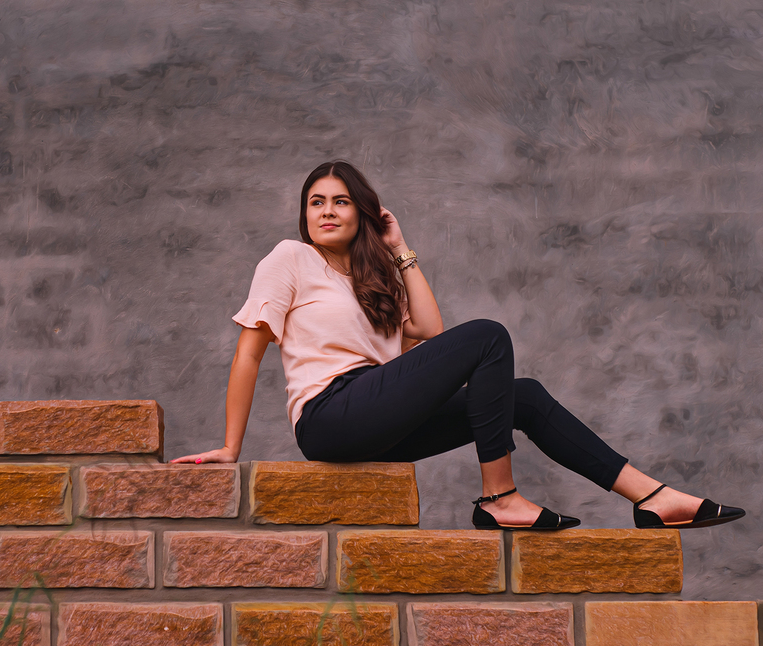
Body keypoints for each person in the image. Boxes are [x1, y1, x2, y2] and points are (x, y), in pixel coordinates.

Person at [172, 160, 745, 531]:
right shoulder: (289, 259)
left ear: (363, 212)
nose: (326, 211)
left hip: (382, 423)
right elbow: (249, 352)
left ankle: (650, 497)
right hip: (331, 416)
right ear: (304, 214)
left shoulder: (372, 283)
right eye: (316, 201)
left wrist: (400, 247)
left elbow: (431, 329)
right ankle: (500, 498)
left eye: (341, 201)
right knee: (490, 337)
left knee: (521, 395)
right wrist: (230, 446)